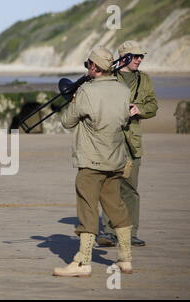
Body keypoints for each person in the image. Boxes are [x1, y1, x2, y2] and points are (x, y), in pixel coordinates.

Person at [53, 46, 134, 277]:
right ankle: (125, 258)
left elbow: (67, 122)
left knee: (87, 209)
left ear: (94, 67)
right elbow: (124, 121)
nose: (86, 67)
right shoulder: (123, 90)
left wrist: (74, 97)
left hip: (91, 162)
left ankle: (82, 262)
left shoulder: (86, 91)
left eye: (88, 64)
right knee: (115, 206)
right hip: (116, 160)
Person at [97, 40, 158, 247]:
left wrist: (139, 109)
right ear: (124, 57)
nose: (140, 59)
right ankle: (107, 232)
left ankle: (130, 234)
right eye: (136, 56)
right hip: (109, 140)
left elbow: (153, 105)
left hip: (133, 142)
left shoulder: (145, 80)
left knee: (130, 189)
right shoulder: (108, 77)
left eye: (142, 56)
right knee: (109, 186)